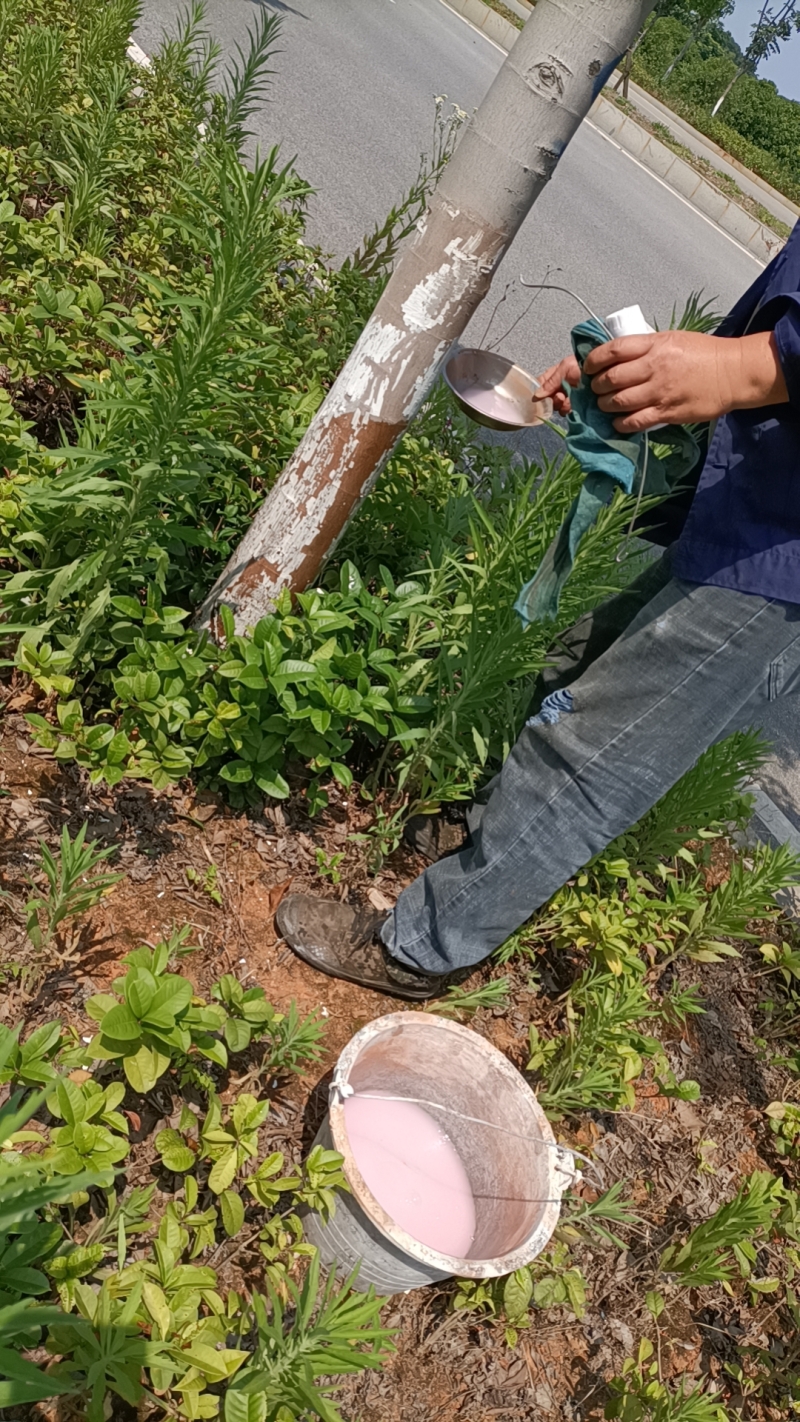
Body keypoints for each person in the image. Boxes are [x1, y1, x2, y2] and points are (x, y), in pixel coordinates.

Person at [276, 221, 800, 999]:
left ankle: (423, 947)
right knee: (576, 665)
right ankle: (485, 838)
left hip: (782, 559)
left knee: (598, 747)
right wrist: (656, 377)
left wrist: (742, 368)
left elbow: (770, 357)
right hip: (757, 501)